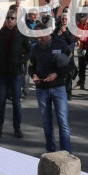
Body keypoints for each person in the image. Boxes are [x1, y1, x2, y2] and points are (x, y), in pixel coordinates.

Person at [29, 23, 73, 152]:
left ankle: (66, 153)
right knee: (47, 125)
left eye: (40, 36)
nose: (38, 39)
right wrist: (34, 75)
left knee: (63, 124)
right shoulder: (35, 48)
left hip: (58, 88)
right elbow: (31, 67)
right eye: (36, 37)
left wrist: (57, 74)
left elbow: (71, 66)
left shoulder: (60, 43)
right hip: (42, 90)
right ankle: (51, 152)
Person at [0, 10, 31, 139]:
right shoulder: (0, 34)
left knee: (16, 102)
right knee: (1, 102)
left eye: (12, 18)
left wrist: (22, 61)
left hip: (16, 73)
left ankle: (17, 128)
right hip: (3, 73)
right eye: (8, 18)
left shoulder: (21, 34)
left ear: (16, 20)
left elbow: (30, 51)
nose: (10, 20)